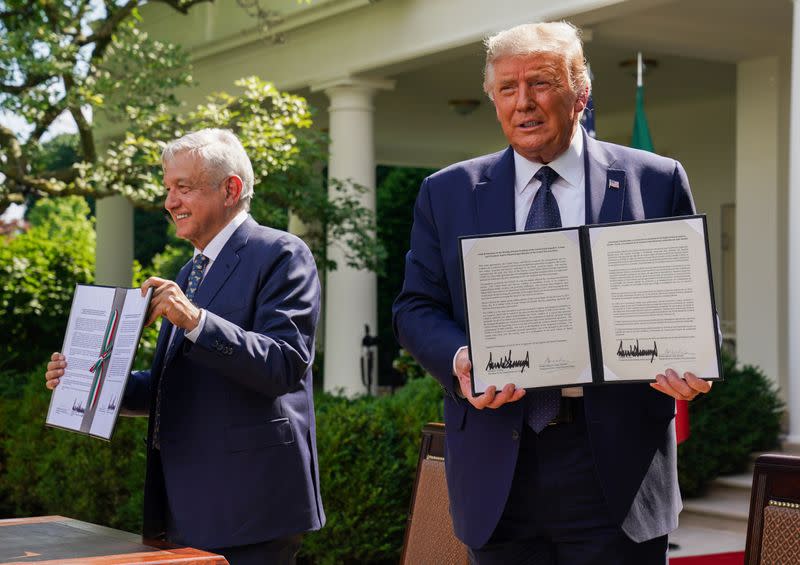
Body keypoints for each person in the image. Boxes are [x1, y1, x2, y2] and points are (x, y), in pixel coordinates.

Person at [392, 22, 712, 565]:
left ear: (580, 94)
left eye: (540, 84)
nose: (524, 103)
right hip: (498, 464)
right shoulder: (446, 192)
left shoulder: (654, 180)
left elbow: (687, 299)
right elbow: (416, 307)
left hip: (616, 466)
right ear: (493, 100)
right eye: (507, 89)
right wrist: (461, 358)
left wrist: (694, 360)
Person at [46, 128, 325, 565]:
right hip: (182, 504)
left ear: (230, 189)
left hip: (250, 508)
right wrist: (89, 381)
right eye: (167, 189)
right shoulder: (189, 270)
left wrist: (195, 320)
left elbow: (282, 365)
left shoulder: (282, 253)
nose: (169, 202)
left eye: (183, 187)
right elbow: (171, 385)